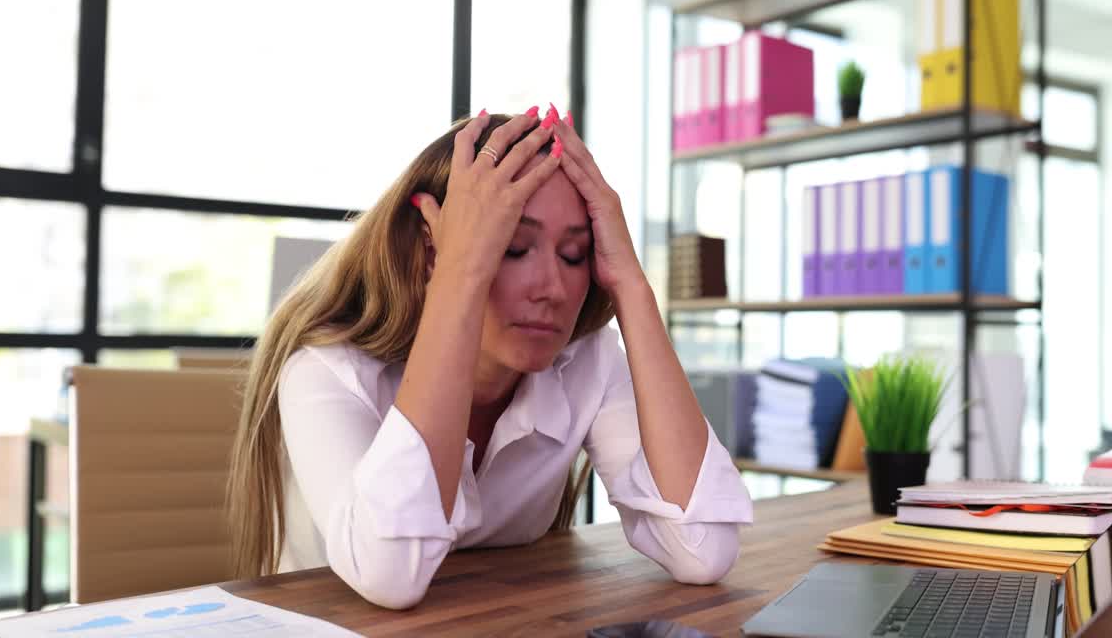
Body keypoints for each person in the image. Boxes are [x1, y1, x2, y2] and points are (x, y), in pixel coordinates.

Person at [225, 104, 753, 610]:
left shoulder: (586, 362)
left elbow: (702, 549)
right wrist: (460, 276)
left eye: (575, 255)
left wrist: (632, 288)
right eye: (512, 247)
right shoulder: (328, 371)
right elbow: (392, 575)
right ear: (431, 249)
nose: (553, 287)